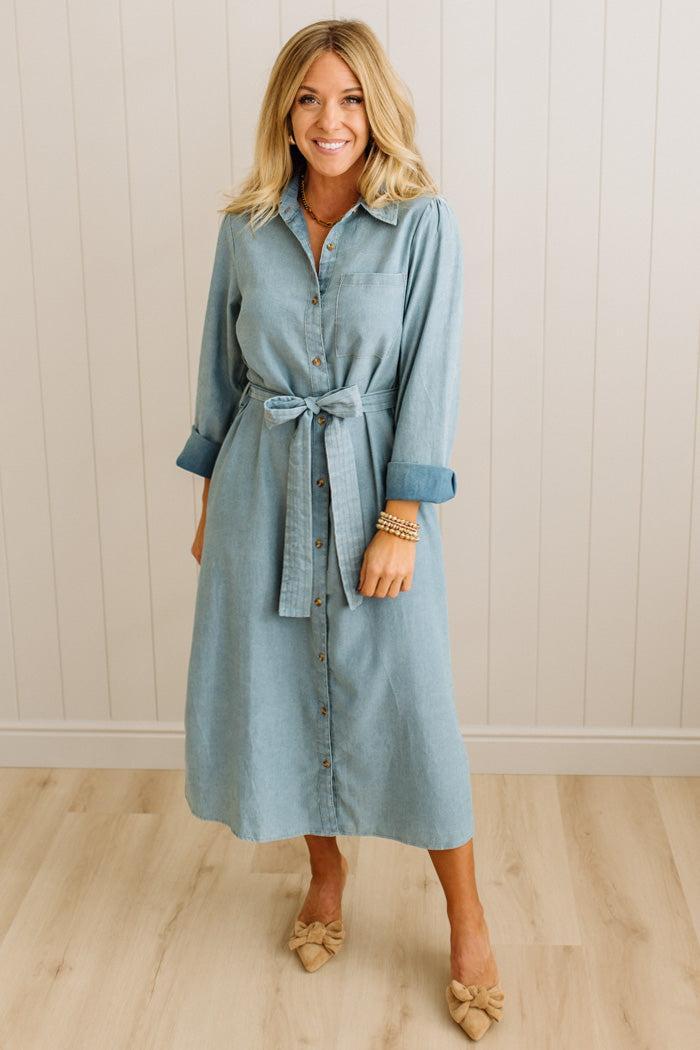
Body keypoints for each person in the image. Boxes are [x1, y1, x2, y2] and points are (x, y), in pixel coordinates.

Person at [176, 18, 504, 1042]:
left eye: (352, 98)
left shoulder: (421, 222)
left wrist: (402, 516)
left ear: (378, 109)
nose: (332, 119)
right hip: (259, 492)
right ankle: (324, 876)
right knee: (281, 691)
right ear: (285, 111)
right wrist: (208, 503)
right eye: (311, 98)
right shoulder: (245, 228)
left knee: (412, 704)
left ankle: (468, 920)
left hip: (371, 492)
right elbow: (220, 369)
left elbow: (431, 374)